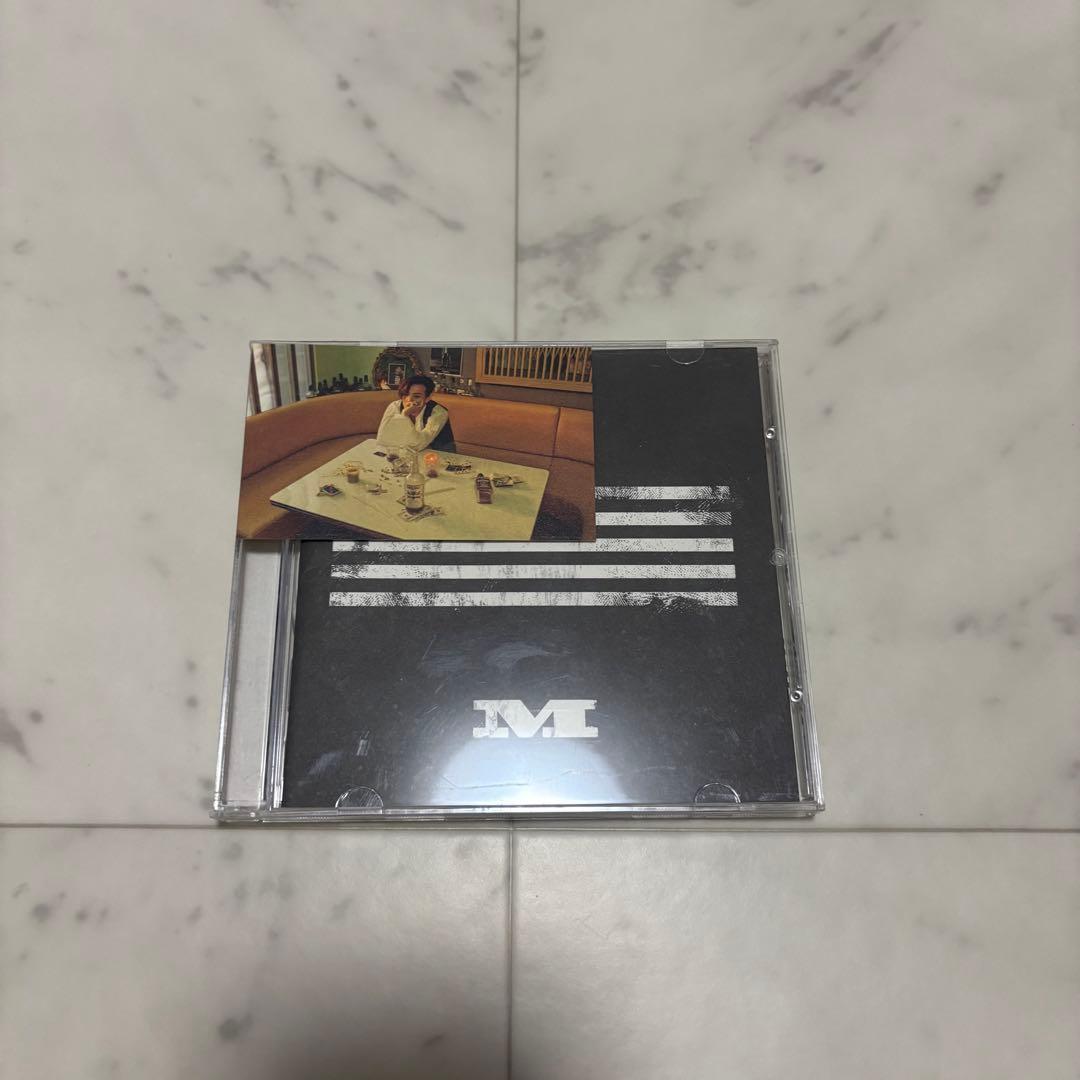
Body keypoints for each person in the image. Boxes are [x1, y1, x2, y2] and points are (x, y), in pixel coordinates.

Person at [376, 374, 456, 452]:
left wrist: (404, 415)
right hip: (406, 452)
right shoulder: (394, 406)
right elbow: (382, 439)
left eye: (417, 396)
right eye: (405, 395)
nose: (409, 400)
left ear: (428, 398)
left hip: (439, 453)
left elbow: (418, 445)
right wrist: (404, 415)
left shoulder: (439, 413)